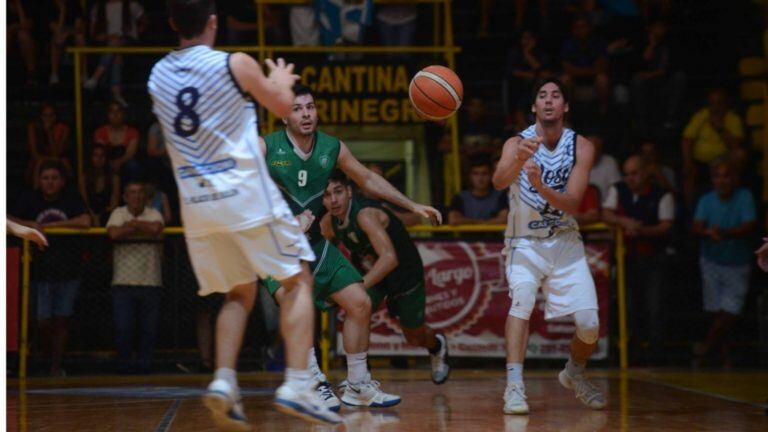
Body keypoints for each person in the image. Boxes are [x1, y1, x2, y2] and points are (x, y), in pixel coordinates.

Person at [148, 0, 341, 428]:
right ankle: (295, 383)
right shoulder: (234, 62)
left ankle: (223, 379)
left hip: (197, 205)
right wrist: (279, 80)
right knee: (297, 281)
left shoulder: (156, 74)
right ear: (213, 22)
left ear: (172, 22)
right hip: (243, 195)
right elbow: (280, 107)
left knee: (239, 292)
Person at [261, 84, 442, 411]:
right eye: (298, 108)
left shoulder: (331, 146)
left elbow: (368, 180)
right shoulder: (266, 147)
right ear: (284, 115)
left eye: (310, 107)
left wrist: (412, 204)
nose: (306, 114)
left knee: (359, 302)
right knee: (299, 311)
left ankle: (358, 385)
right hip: (279, 249)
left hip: (316, 244)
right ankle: (313, 384)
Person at [492, 78, 605, 414]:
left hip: (565, 241)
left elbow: (573, 204)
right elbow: (499, 181)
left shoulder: (581, 146)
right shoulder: (517, 142)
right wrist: (517, 161)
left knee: (589, 325)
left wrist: (540, 185)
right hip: (524, 241)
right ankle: (514, 386)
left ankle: (574, 373)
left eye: (556, 95)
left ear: (565, 106)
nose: (549, 100)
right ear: (534, 107)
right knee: (522, 301)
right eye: (542, 96)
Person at [319, 170, 451, 384]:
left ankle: (436, 345)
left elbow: (389, 258)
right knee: (357, 308)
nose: (333, 200)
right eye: (327, 195)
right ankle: (360, 377)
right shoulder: (328, 222)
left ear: (349, 192)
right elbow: (317, 251)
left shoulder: (364, 215)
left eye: (338, 192)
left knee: (414, 335)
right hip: (372, 271)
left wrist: (358, 286)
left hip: (403, 273)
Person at [9, 161, 92, 376]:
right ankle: (42, 358)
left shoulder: (71, 199)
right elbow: (6, 218)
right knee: (43, 321)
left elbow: (85, 221)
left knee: (61, 319)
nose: (50, 182)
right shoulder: (30, 199)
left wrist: (45, 227)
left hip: (68, 269)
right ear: (39, 180)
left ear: (62, 181)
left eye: (54, 178)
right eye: (46, 178)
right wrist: (29, 223)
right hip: (39, 271)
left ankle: (56, 366)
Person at [602, 155, 675, 364]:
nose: (629, 178)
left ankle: (655, 353)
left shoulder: (662, 195)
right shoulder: (619, 189)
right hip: (626, 260)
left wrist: (641, 230)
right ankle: (630, 351)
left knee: (655, 306)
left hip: (654, 260)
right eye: (626, 174)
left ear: (645, 173)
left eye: (634, 174)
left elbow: (665, 226)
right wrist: (624, 221)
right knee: (627, 306)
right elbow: (606, 214)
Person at [691, 159, 756, 368]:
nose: (722, 181)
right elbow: (697, 226)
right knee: (717, 311)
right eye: (717, 176)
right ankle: (724, 357)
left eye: (727, 176)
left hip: (737, 262)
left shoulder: (745, 197)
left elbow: (749, 225)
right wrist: (708, 232)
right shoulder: (706, 200)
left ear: (735, 178)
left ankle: (706, 346)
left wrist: (725, 233)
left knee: (732, 310)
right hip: (711, 260)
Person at [106, 181, 164, 374]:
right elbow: (113, 233)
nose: (136, 196)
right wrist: (137, 228)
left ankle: (145, 366)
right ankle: (124, 365)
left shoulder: (154, 213)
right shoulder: (118, 213)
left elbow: (156, 228)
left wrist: (133, 225)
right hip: (123, 281)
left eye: (140, 192)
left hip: (151, 280)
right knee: (124, 327)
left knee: (149, 329)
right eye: (132, 192)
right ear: (125, 196)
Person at [681, 88, 745, 205]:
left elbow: (736, 146)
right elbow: (687, 140)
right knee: (688, 171)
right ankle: (691, 210)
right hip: (701, 161)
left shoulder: (733, 119)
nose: (716, 107)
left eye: (719, 103)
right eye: (712, 103)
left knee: (740, 155)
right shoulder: (701, 116)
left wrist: (720, 128)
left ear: (725, 104)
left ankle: (734, 199)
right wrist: (688, 162)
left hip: (723, 161)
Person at [84, 0, 148, 105]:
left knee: (115, 46)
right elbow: (93, 32)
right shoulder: (98, 8)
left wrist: (134, 34)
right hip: (108, 43)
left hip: (127, 41)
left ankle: (96, 77)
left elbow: (144, 22)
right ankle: (116, 94)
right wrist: (107, 37)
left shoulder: (132, 5)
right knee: (116, 55)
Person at [448, 157, 509, 225]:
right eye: (475, 174)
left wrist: (469, 222)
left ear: (491, 175)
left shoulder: (501, 196)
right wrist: (484, 223)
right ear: (470, 176)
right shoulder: (459, 197)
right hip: (467, 235)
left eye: (484, 173)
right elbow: (453, 220)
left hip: (494, 235)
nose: (480, 178)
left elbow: (504, 219)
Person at [26, 104, 72, 189]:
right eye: (45, 115)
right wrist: (45, 159)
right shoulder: (33, 127)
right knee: (39, 164)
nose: (48, 118)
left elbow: (58, 153)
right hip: (39, 160)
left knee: (65, 163)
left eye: (51, 115)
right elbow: (34, 153)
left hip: (57, 159)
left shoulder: (63, 128)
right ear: (40, 116)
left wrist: (49, 133)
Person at [92, 101, 140, 178]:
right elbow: (100, 151)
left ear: (123, 114)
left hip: (124, 163)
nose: (115, 114)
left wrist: (119, 162)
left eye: (118, 111)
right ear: (108, 115)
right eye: (112, 111)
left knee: (132, 165)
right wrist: (109, 163)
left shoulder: (132, 132)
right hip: (106, 161)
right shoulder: (100, 132)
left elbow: (130, 153)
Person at [79, 145, 120, 226]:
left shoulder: (114, 178)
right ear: (90, 158)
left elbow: (114, 205)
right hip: (89, 213)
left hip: (107, 214)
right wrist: (94, 217)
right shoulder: (83, 179)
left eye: (102, 155)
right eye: (95, 155)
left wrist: (101, 217)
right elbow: (84, 203)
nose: (99, 159)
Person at [48, 0, 86, 85]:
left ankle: (82, 74)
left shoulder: (74, 4)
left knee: (80, 38)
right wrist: (62, 12)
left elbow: (78, 27)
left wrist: (67, 33)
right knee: (57, 38)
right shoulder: (50, 5)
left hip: (72, 33)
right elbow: (54, 28)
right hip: (58, 35)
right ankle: (54, 74)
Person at [587, 134, 620, 201]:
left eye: (595, 149)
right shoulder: (576, 164)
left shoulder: (609, 162)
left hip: (607, 206)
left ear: (600, 150)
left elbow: (615, 187)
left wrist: (608, 207)